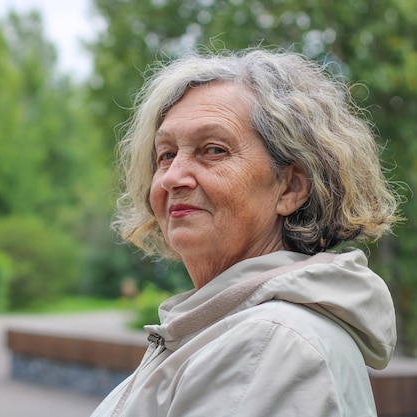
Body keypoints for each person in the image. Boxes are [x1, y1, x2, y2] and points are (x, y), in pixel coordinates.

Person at [90, 48, 401, 417]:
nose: (173, 177)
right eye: (166, 154)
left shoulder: (270, 344)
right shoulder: (231, 331)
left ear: (290, 188)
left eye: (214, 150)